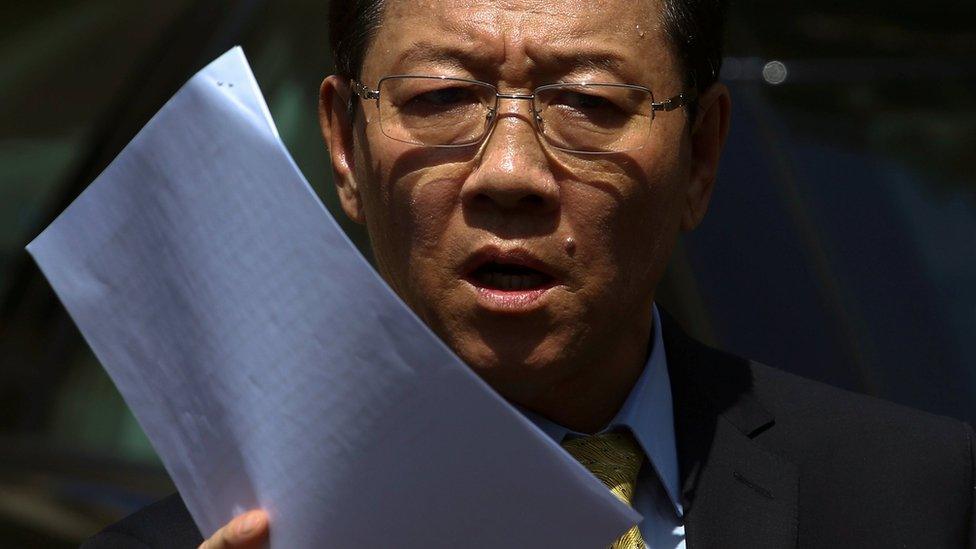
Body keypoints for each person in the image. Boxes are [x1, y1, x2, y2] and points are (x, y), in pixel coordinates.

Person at [84, 0, 975, 547]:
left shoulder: (911, 501)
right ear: (345, 147)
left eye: (588, 103)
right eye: (439, 98)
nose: (509, 171)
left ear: (700, 153)